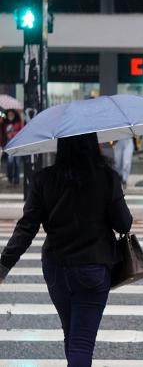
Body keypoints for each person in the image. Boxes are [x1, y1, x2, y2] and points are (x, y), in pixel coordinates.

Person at [0, 133, 133, 366]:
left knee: (71, 334)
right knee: (81, 342)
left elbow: (26, 228)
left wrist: (4, 264)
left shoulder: (43, 179)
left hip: (56, 269)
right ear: (93, 145)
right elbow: (124, 224)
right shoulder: (106, 178)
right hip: (93, 267)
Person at [4, 109, 22, 186]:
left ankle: (16, 179)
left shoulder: (18, 123)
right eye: (9, 115)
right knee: (10, 162)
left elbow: (21, 132)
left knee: (17, 163)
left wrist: (13, 133)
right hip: (9, 144)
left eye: (11, 114)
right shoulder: (5, 123)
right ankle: (10, 178)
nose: (10, 116)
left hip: (17, 143)